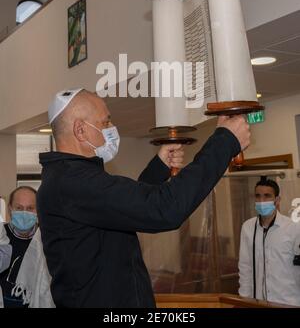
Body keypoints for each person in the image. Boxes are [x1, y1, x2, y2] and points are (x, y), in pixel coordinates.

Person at [37, 88, 250, 308]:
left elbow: (128, 210)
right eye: (105, 122)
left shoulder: (72, 179)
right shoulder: (73, 182)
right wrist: (225, 141)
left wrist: (159, 167)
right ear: (80, 130)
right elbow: (164, 209)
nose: (111, 129)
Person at [238, 178, 300, 306]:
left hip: (288, 301)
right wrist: (244, 299)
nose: (262, 201)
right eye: (258, 196)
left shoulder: (293, 228)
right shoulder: (248, 227)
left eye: (267, 196)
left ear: (277, 200)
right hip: (259, 302)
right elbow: (245, 267)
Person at [0, 187, 38, 308]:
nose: (24, 213)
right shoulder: (1, 235)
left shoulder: (45, 241)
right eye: (19, 208)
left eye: (30, 208)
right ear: (10, 208)